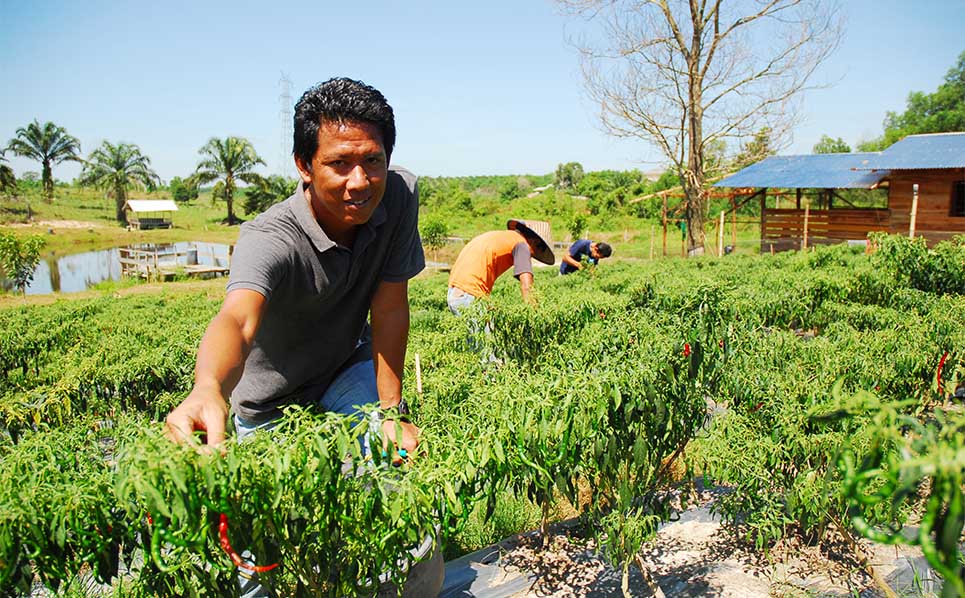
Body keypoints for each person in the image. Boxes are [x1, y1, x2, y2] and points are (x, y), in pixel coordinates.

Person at [164, 77, 443, 597]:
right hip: (267, 405)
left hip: (343, 372)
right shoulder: (270, 238)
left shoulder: (399, 194)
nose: (360, 181)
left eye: (373, 160)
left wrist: (389, 413)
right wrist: (207, 389)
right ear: (303, 164)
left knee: (401, 502)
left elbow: (389, 306)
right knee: (255, 566)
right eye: (339, 163)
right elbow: (237, 320)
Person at [446, 219, 555, 315]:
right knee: (485, 338)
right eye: (537, 251)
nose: (531, 256)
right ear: (534, 241)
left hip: (454, 293)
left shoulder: (503, 236)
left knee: (476, 335)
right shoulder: (522, 244)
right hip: (469, 294)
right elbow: (527, 286)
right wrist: (536, 315)